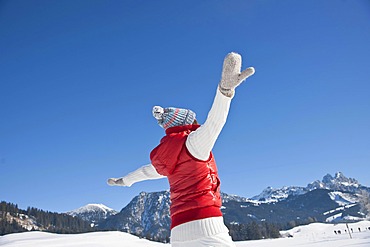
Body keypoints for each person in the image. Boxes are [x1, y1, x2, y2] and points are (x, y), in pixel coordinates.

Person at [108, 52, 255, 247]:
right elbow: (215, 122)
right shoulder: (195, 143)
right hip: (207, 223)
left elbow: (145, 171)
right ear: (189, 122)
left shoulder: (166, 159)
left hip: (178, 231)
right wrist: (224, 91)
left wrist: (124, 181)